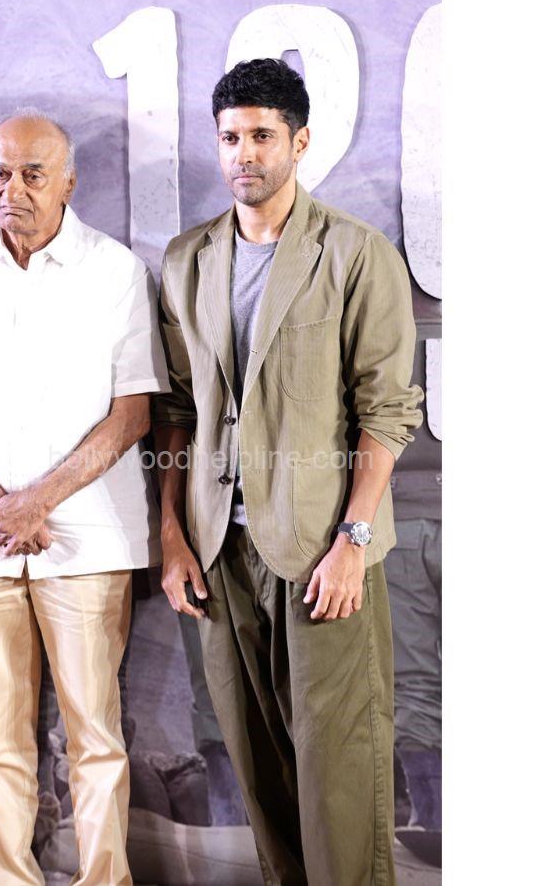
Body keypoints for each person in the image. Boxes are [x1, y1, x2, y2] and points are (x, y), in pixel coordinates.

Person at [153, 59, 424, 885]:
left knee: (338, 771)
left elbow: (387, 411)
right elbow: (176, 410)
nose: (244, 153)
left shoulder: (355, 253)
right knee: (258, 767)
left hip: (319, 551)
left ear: (299, 143)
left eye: (263, 136)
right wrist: (173, 537)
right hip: (219, 553)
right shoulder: (187, 260)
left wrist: (353, 539)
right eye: (231, 137)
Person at [0, 109, 168, 886]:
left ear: (69, 181)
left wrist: (37, 502)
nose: (13, 189)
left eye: (33, 174)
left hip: (86, 541)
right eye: (0, 172)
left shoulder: (115, 272)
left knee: (94, 738)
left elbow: (132, 413)